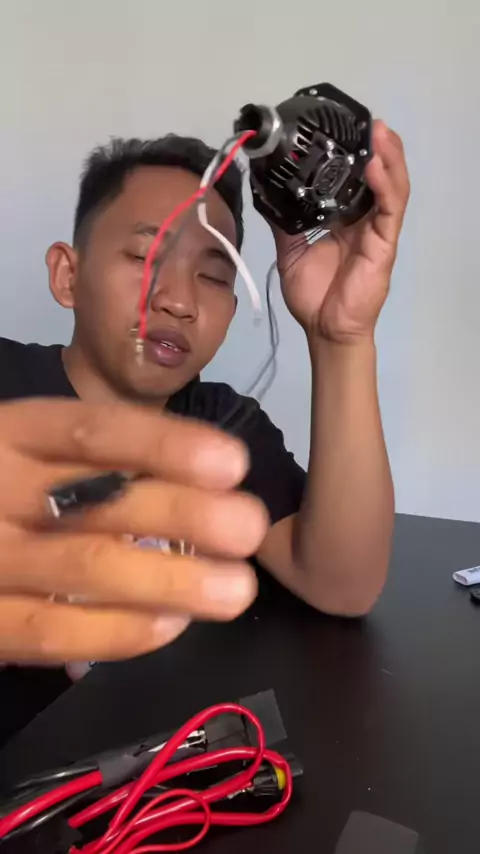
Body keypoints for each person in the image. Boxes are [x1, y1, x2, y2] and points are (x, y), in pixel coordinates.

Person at [0, 124, 409, 686]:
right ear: (68, 276)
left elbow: (343, 586)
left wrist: (341, 336)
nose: (179, 301)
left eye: (214, 277)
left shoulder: (224, 429)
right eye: (145, 256)